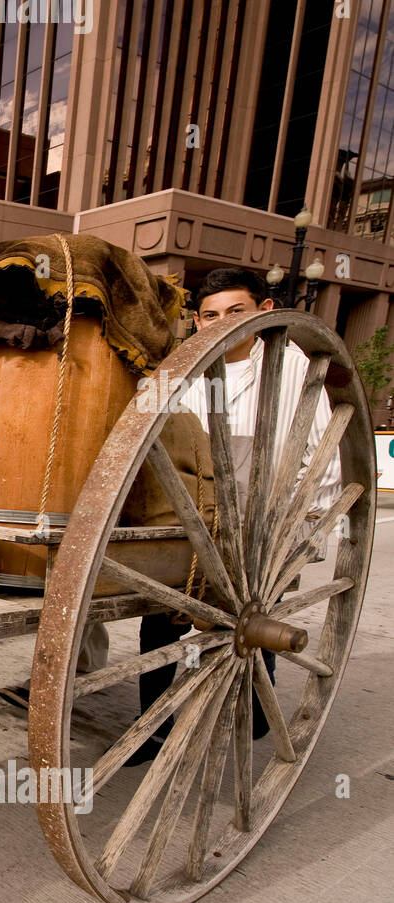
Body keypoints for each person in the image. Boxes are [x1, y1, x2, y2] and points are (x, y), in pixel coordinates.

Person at [124, 266, 342, 765]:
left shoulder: (294, 369)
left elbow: (322, 464)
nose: (222, 322)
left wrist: (280, 523)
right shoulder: (187, 370)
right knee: (161, 620)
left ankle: (254, 711)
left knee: (254, 620)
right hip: (196, 520)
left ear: (265, 311)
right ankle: (153, 726)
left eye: (235, 312)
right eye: (211, 315)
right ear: (198, 322)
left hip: (266, 526)